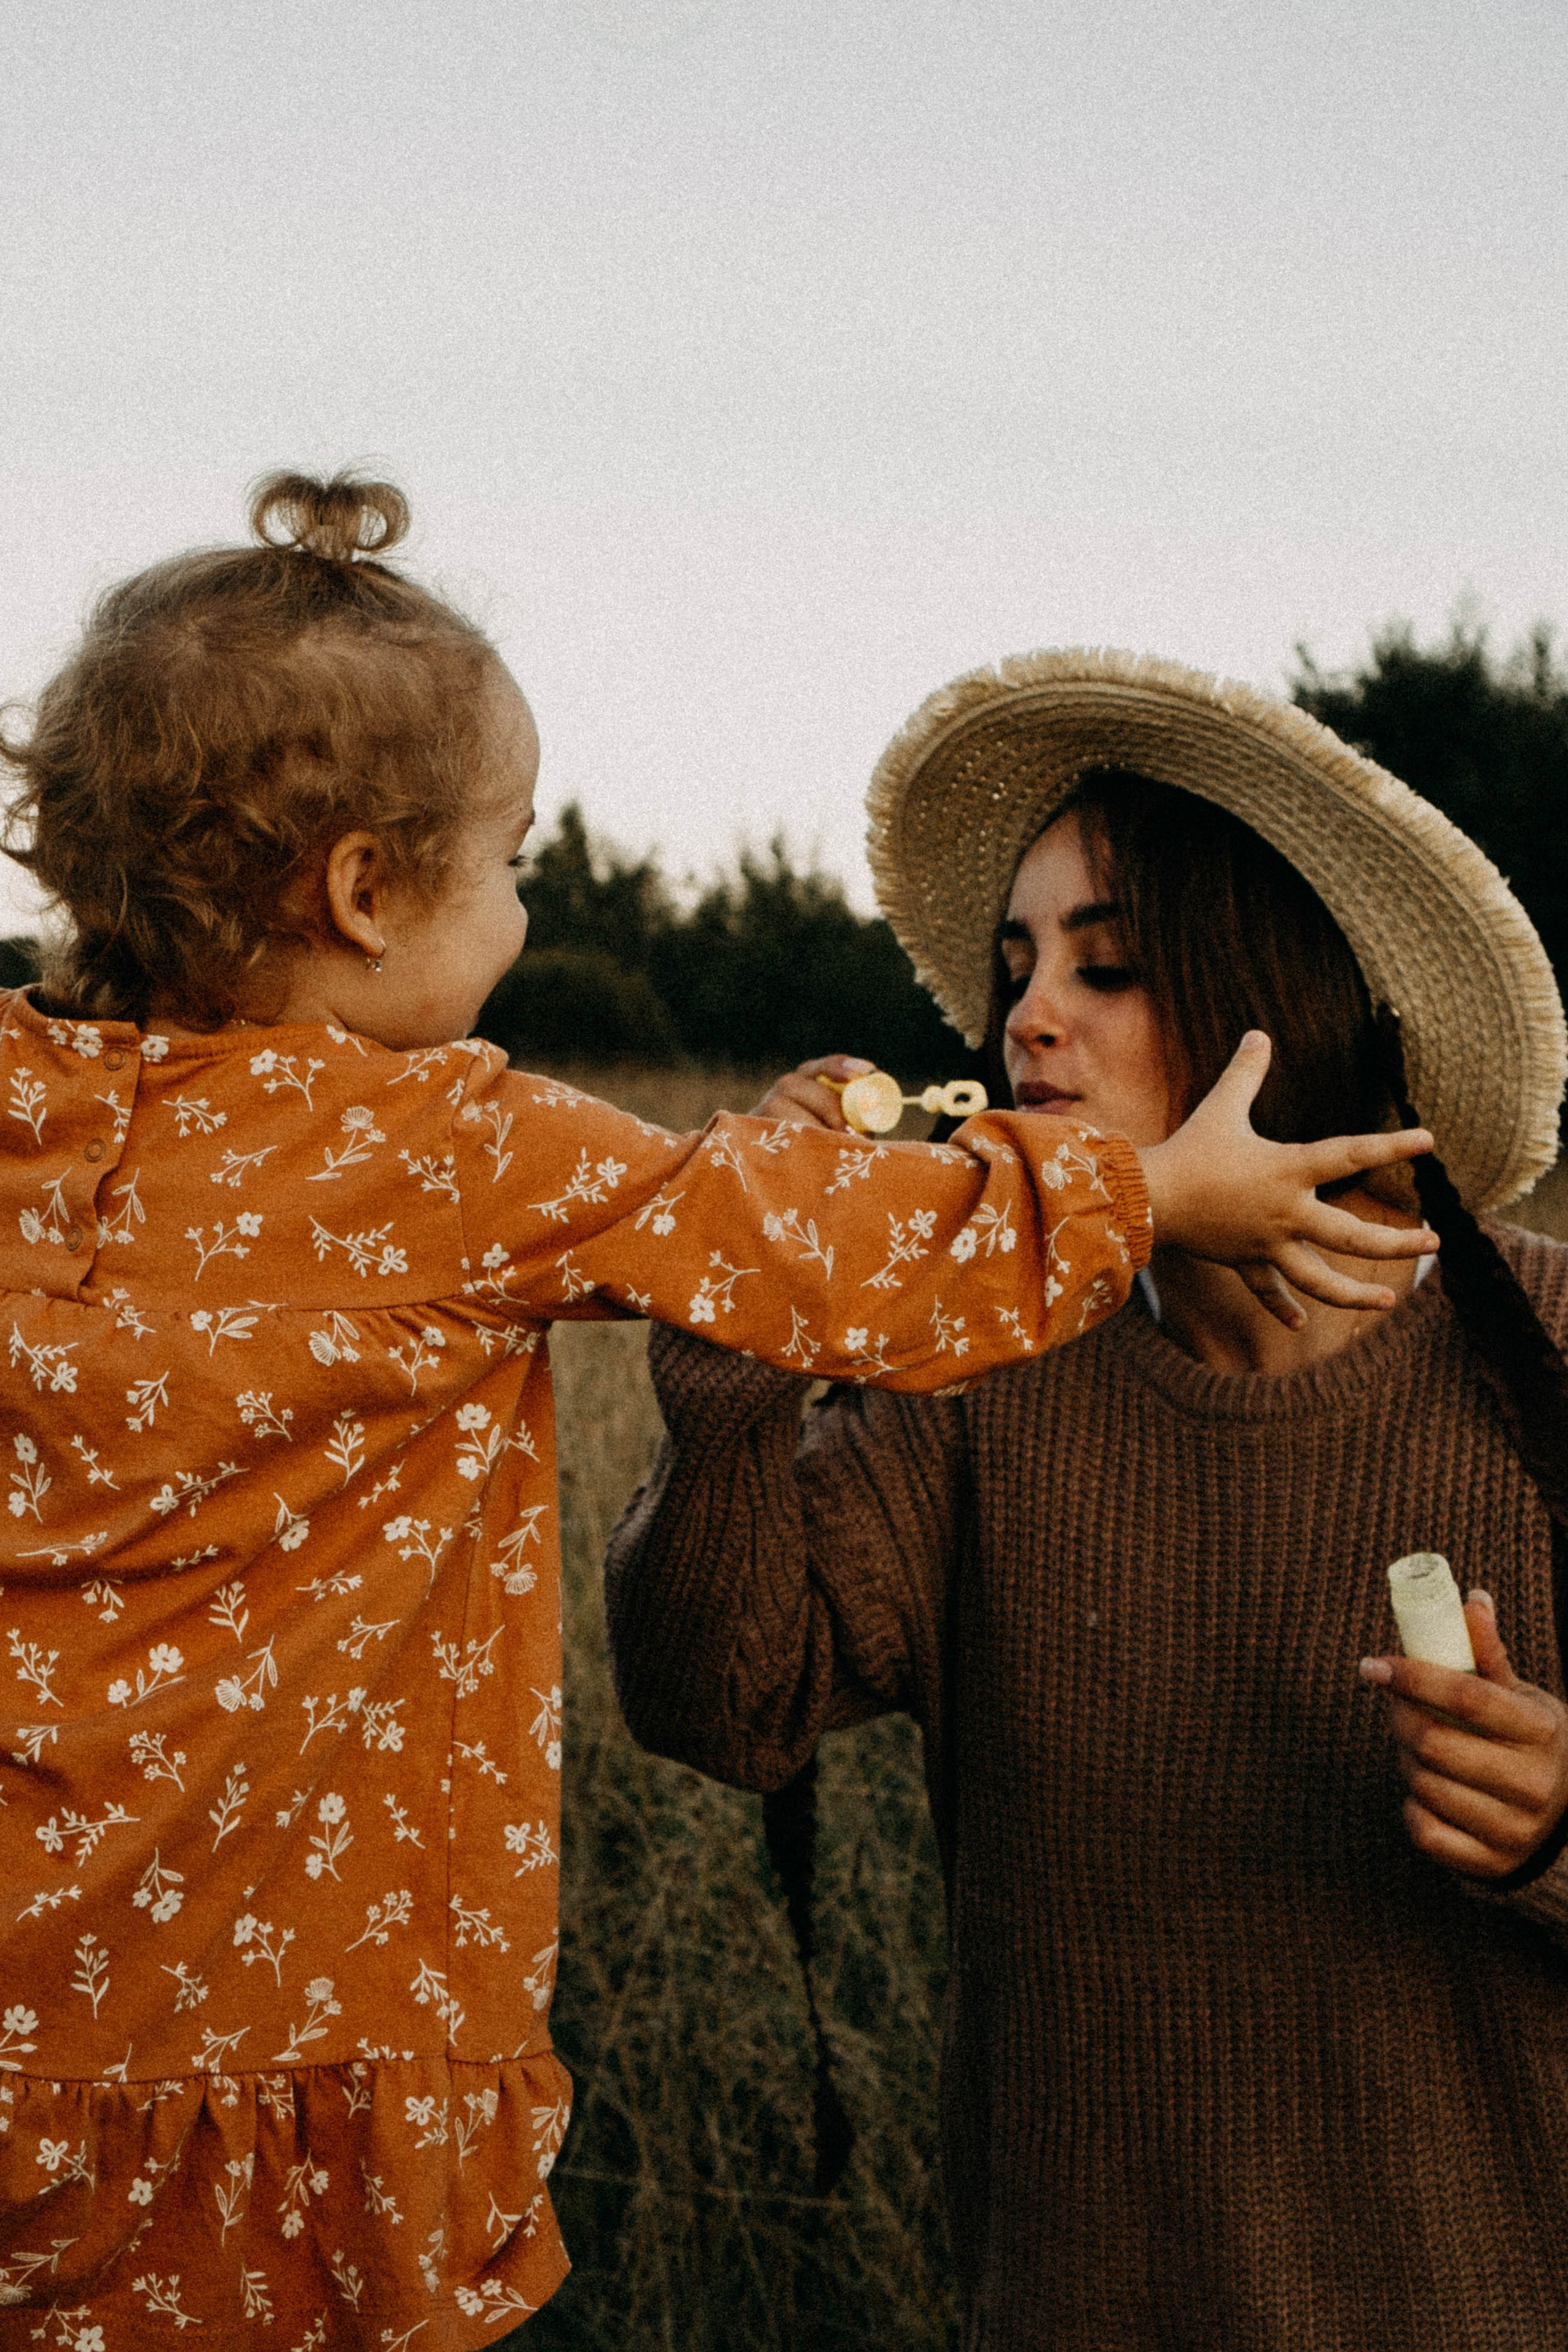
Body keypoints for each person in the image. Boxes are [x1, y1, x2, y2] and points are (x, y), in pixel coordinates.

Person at [0, 507, 1430, 2346]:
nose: (529, 913)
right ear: (364, 894)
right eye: (511, 864)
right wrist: (1149, 1198)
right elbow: (796, 1242)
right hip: (297, 2049)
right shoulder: (448, 1146)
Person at [605, 648, 1568, 2351]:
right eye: (1013, 968)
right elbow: (720, 1709)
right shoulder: (984, 1381)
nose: (1026, 1017)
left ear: (1287, 994)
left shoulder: (1547, 1353)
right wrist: (735, 1375)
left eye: (1107, 964)